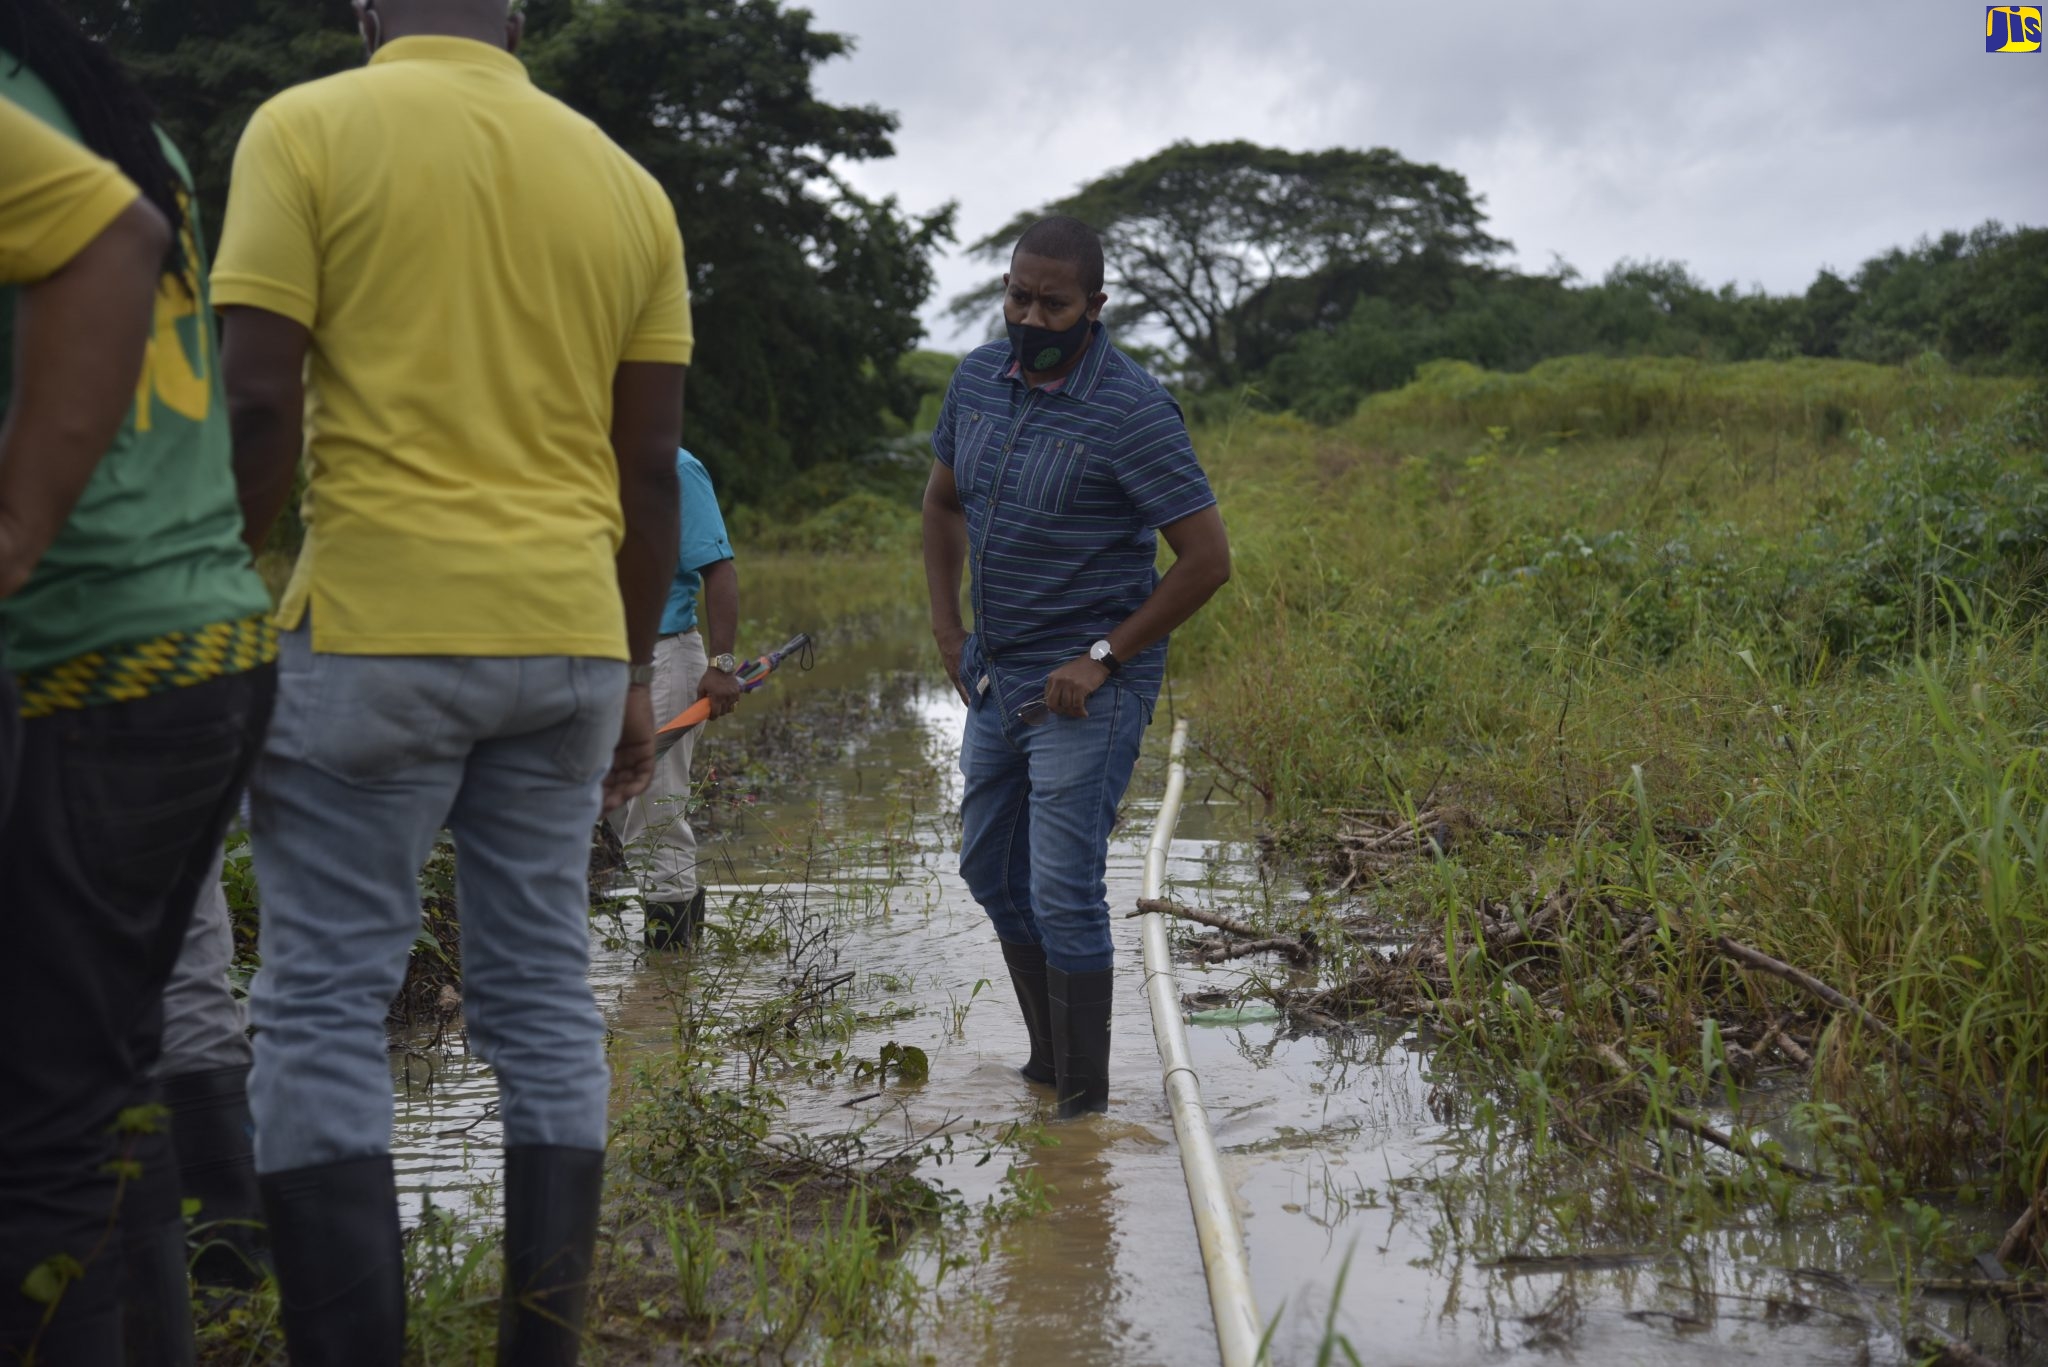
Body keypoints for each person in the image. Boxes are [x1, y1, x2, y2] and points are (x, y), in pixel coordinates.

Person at [210, 0, 691, 1359]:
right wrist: (633, 668)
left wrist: (212, 600)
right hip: (565, 642)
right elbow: (647, 464)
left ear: (367, 5)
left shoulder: (304, 129)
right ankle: (540, 1345)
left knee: (318, 995)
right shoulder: (623, 183)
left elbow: (257, 403)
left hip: (373, 625)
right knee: (542, 986)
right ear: (521, 12)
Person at [0, 3, 281, 1359]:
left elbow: (108, 250)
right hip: (204, 637)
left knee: (38, 1112)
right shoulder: (114, 118)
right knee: (99, 1076)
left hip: (85, 651)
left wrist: (15, 527)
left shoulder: (33, 127)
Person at [922, 215, 1232, 1119]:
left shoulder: (1133, 409)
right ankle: (1048, 1065)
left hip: (1088, 690)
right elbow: (942, 504)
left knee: (1064, 887)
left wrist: (1103, 655)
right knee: (988, 867)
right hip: (997, 673)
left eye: (1054, 303)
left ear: (1095, 306)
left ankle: (1083, 1113)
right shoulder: (977, 379)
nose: (1032, 316)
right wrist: (949, 633)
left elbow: (1207, 559)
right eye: (1019, 296)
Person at [605, 446, 740, 949]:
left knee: (655, 814)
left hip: (661, 659)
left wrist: (721, 665)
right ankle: (677, 955)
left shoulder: (672, 466)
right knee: (624, 810)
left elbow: (719, 568)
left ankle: (669, 975)